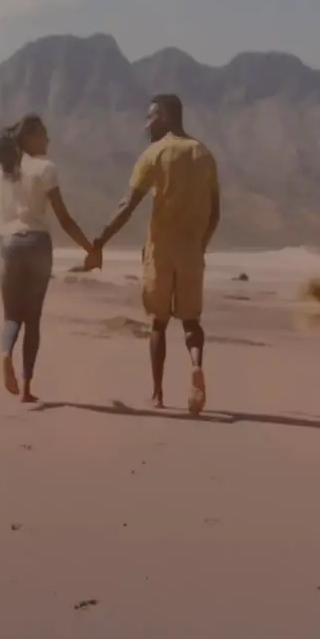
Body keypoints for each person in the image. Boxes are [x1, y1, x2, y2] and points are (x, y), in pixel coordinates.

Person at [84, 94, 221, 414]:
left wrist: (100, 240)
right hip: (191, 251)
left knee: (158, 324)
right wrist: (202, 244)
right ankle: (196, 365)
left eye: (151, 118)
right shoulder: (205, 155)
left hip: (160, 251)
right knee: (191, 321)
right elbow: (215, 213)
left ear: (167, 117)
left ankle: (158, 394)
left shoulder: (155, 153)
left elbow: (127, 205)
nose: (146, 125)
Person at [0, 113, 95, 402]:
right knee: (33, 319)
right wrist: (90, 248)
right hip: (37, 243)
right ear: (30, 138)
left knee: (11, 315)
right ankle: (26, 389)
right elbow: (64, 218)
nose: (48, 140)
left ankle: (4, 354)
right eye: (43, 135)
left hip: (9, 244)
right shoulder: (46, 169)